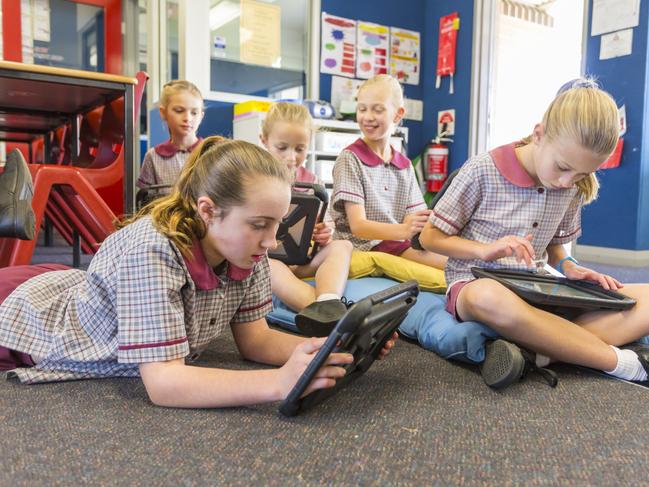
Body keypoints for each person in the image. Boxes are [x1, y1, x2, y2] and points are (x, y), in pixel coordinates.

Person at [0, 137, 397, 408]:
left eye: (276, 224)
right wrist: (278, 383)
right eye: (259, 224)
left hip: (70, 287)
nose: (271, 240)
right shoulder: (152, 250)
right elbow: (165, 383)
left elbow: (256, 340)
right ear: (207, 211)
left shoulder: (249, 250)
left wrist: (333, 351)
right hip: (26, 320)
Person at [419, 78, 649, 389]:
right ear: (539, 134)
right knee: (490, 296)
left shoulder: (571, 186)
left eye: (582, 174)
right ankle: (620, 363)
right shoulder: (482, 170)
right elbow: (429, 238)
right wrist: (484, 250)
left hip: (538, 286)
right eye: (563, 167)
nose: (568, 181)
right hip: (476, 283)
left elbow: (555, 246)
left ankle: (540, 352)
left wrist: (570, 267)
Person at [330, 75, 447, 270]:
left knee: (453, 256)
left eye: (378, 109)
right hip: (365, 246)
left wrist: (416, 226)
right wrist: (403, 229)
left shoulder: (404, 165)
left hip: (396, 242)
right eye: (362, 109)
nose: (368, 117)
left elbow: (414, 216)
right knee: (449, 265)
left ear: (398, 114)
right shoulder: (350, 159)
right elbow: (358, 226)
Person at [260, 102, 353, 337]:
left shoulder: (313, 183)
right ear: (264, 140)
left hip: (301, 260)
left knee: (343, 245)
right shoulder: (254, 180)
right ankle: (331, 318)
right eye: (282, 147)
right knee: (270, 266)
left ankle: (329, 300)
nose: (291, 157)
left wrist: (325, 233)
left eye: (300, 149)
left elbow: (326, 224)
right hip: (266, 262)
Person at [137, 80, 204, 199]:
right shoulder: (153, 157)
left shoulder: (211, 152)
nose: (187, 118)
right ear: (163, 112)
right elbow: (145, 201)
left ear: (201, 116)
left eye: (194, 113)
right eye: (179, 111)